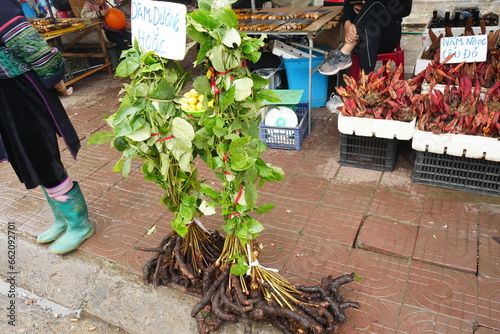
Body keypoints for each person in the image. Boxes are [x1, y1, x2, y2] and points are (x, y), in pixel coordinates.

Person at [0, 0, 94, 254]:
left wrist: (58, 84)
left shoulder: (3, 9)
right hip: (5, 98)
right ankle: (63, 220)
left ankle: (79, 224)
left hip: (22, 95)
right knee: (29, 159)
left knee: (42, 157)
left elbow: (37, 52)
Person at [318, 0, 412, 76]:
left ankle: (345, 52)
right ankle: (368, 80)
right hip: (360, 37)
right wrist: (347, 23)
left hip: (388, 37)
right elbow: (348, 5)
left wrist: (372, 9)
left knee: (374, 4)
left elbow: (405, 10)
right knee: (369, 28)